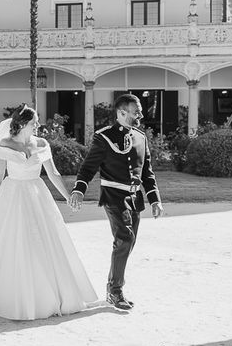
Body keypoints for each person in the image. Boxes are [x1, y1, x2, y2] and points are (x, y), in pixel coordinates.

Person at [0, 104, 97, 320]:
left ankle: (49, 292)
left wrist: (67, 196)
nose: (38, 124)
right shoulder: (5, 144)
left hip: (37, 195)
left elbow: (53, 173)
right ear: (23, 123)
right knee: (12, 241)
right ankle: (9, 294)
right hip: (12, 194)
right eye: (35, 121)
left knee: (44, 241)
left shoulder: (42, 144)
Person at [69, 93, 164, 310]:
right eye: (135, 111)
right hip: (113, 197)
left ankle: (113, 286)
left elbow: (147, 173)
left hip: (135, 198)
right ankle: (115, 291)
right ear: (121, 112)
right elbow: (88, 167)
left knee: (128, 243)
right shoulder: (104, 137)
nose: (140, 114)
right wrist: (79, 190)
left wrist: (155, 199)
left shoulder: (141, 137)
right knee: (125, 238)